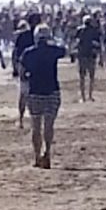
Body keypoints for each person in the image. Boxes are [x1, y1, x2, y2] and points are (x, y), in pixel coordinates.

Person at [20, 25, 66, 169]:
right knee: (49, 126)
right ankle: (47, 152)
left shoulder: (28, 53)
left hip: (34, 92)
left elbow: (22, 74)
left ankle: (37, 156)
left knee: (35, 126)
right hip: (52, 90)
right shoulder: (53, 51)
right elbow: (65, 49)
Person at [12, 14, 41, 128]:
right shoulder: (42, 35)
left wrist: (15, 67)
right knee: (34, 93)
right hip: (36, 67)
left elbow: (16, 52)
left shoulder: (23, 35)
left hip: (25, 66)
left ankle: (21, 119)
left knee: (24, 94)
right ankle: (31, 119)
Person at [75, 16, 102, 102]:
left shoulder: (80, 30)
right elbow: (98, 44)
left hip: (82, 55)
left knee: (82, 77)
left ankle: (83, 97)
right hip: (91, 55)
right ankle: (90, 95)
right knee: (91, 77)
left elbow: (77, 42)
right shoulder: (94, 31)